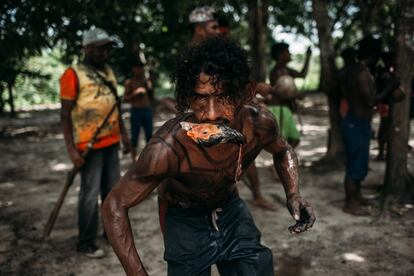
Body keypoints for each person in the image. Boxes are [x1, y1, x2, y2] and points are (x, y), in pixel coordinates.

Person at [102, 37, 315, 275]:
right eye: (201, 98)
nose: (211, 114)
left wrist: (293, 193)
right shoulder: (169, 148)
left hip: (230, 206)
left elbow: (283, 150)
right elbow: (114, 205)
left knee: (255, 268)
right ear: (187, 97)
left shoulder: (259, 124)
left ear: (245, 93)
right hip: (183, 216)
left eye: (224, 96)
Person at [60, 27, 130, 258]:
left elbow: (115, 106)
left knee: (111, 191)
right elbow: (65, 114)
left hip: (111, 142)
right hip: (88, 146)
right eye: (101, 49)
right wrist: (71, 149)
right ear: (87, 49)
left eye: (107, 49)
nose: (105, 54)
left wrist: (125, 135)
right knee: (90, 194)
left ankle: (108, 233)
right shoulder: (73, 74)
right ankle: (85, 242)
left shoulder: (108, 71)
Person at [338, 36, 382, 216]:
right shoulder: (362, 72)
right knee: (355, 164)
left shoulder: (354, 69)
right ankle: (350, 204)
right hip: (355, 123)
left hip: (357, 122)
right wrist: (388, 88)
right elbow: (370, 100)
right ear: (373, 54)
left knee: (360, 163)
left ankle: (357, 196)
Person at [267, 42, 312, 148]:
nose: (290, 54)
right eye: (287, 52)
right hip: (280, 110)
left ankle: (282, 162)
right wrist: (296, 96)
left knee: (290, 141)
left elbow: (302, 74)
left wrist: (308, 57)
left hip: (285, 110)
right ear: (280, 55)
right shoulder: (277, 72)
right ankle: (282, 163)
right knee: (286, 142)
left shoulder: (286, 70)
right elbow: (280, 94)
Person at [124, 61, 154, 161]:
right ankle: (134, 159)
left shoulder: (146, 81)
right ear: (133, 69)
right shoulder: (130, 82)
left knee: (149, 135)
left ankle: (150, 157)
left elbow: (151, 96)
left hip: (147, 110)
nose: (140, 70)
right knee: (135, 135)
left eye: (142, 68)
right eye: (138, 67)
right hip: (136, 111)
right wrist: (135, 93)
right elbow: (125, 98)